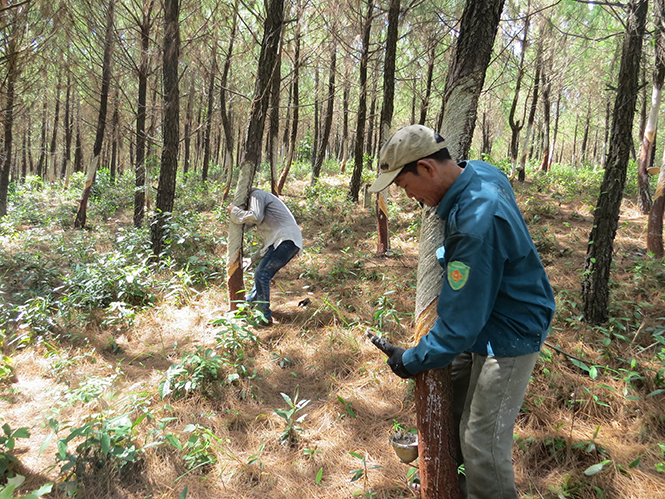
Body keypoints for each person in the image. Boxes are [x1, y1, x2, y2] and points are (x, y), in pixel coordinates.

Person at [368, 125, 556, 499]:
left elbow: (457, 325)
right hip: (487, 315)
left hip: (510, 331)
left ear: (426, 168)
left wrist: (409, 360)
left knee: (481, 443)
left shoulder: (475, 224)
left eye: (405, 187)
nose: (409, 197)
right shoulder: (481, 171)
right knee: (454, 409)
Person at [227, 189, 303, 325]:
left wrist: (235, 212)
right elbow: (268, 245)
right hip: (289, 241)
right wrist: (252, 259)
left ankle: (264, 318)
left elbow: (255, 217)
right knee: (263, 275)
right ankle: (246, 307)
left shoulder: (256, 195)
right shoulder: (264, 207)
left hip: (286, 240)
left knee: (261, 274)